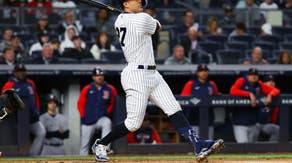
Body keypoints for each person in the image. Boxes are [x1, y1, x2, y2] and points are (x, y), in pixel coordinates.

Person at [91, 0, 224, 162]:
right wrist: (140, 17)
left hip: (152, 73)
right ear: (125, 3)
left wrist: (130, 14)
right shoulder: (141, 18)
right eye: (136, 0)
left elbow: (143, 23)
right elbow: (158, 27)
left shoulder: (120, 20)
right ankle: (101, 143)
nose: (141, 2)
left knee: (174, 108)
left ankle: (198, 145)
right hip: (136, 75)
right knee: (133, 123)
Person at [2, 64, 46, 155]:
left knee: (41, 132)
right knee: (16, 140)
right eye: (19, 71)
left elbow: (36, 98)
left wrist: (36, 111)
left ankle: (33, 155)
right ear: (14, 73)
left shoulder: (30, 83)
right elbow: (4, 101)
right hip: (17, 121)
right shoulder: (9, 84)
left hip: (31, 118)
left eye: (22, 71)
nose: (21, 73)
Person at [229, 68, 280, 143]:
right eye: (251, 75)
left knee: (252, 149)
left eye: (255, 75)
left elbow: (276, 90)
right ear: (247, 76)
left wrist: (270, 95)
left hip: (253, 123)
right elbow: (232, 91)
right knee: (243, 145)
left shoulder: (259, 84)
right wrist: (249, 94)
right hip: (240, 123)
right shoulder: (242, 81)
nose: (254, 76)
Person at [77, 67, 117, 156]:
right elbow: (80, 104)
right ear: (93, 77)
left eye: (101, 75)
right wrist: (83, 116)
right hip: (88, 120)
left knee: (107, 122)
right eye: (97, 75)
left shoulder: (110, 88)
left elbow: (113, 103)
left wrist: (107, 112)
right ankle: (82, 159)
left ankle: (103, 150)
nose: (99, 77)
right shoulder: (87, 88)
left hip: (101, 118)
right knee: (84, 144)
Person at [181, 64, 219, 139]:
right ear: (197, 73)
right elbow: (183, 100)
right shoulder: (190, 84)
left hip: (209, 118)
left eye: (205, 71)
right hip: (194, 117)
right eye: (201, 71)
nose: (204, 73)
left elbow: (216, 98)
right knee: (195, 142)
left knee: (209, 143)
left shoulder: (212, 84)